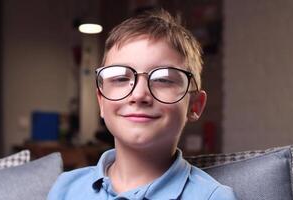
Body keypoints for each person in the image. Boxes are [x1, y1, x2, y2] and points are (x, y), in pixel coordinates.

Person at [47, 8, 236, 200]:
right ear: (101, 101)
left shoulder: (213, 197)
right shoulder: (66, 188)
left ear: (194, 105)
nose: (139, 95)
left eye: (163, 79)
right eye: (120, 78)